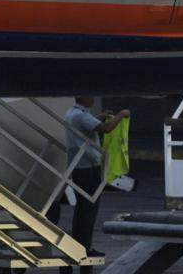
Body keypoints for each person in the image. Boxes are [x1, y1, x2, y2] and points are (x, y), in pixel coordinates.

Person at [64, 97, 130, 263]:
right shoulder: (81, 116)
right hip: (88, 167)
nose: (93, 98)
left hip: (78, 167)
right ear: (84, 97)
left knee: (82, 208)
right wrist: (122, 114)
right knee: (89, 210)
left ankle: (78, 244)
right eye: (90, 96)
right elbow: (107, 129)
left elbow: (90, 124)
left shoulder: (72, 113)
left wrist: (100, 116)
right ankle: (85, 247)